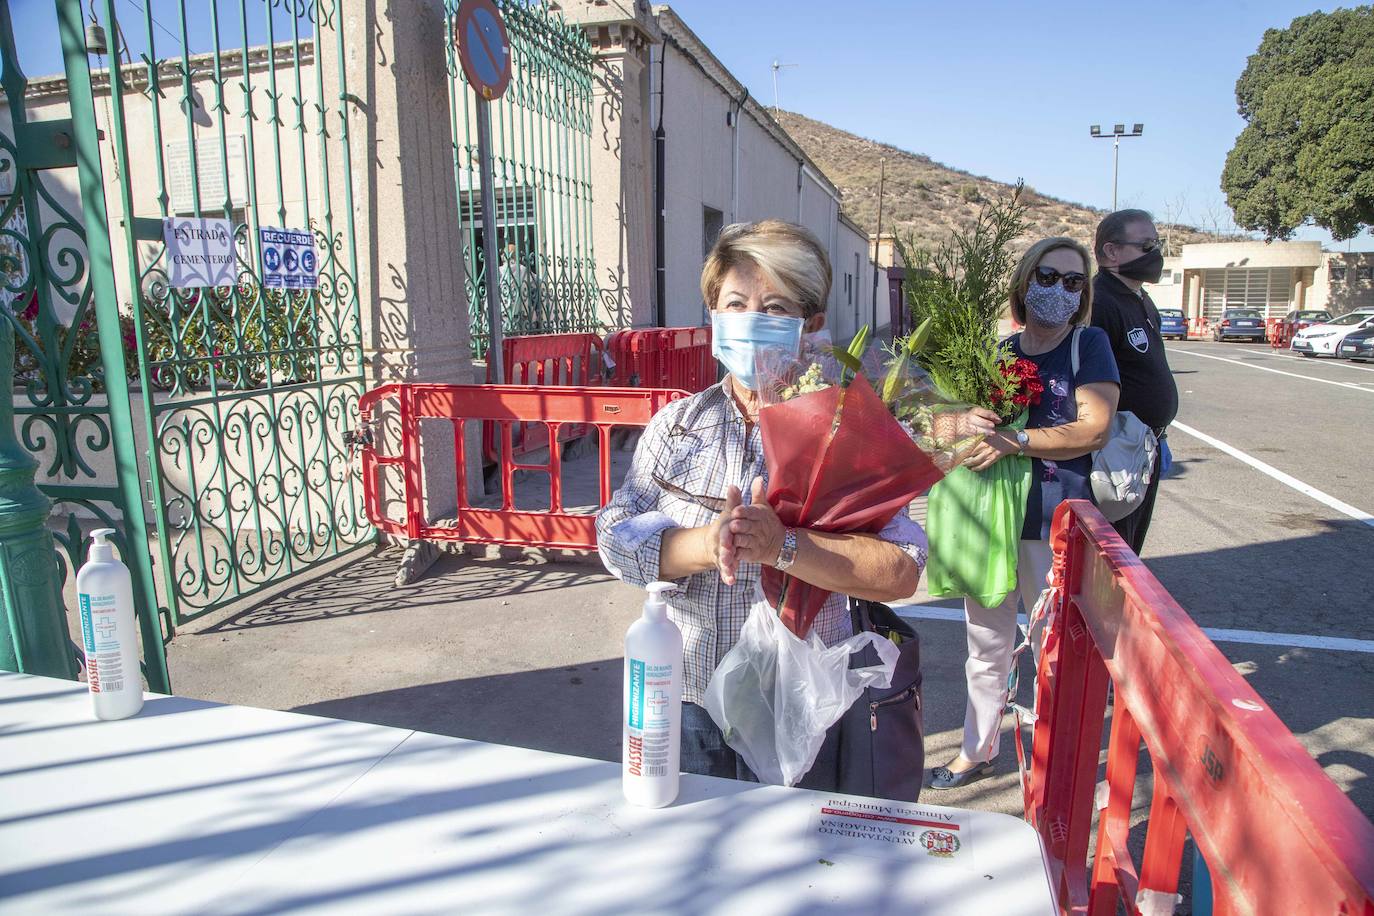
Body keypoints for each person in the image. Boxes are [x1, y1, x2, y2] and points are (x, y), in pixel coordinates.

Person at [596, 219, 927, 787]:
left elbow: (900, 571)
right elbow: (614, 535)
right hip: (692, 700)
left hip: (810, 707)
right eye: (735, 303)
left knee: (803, 864)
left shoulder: (850, 430)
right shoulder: (679, 427)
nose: (750, 321)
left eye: (774, 307)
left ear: (811, 325)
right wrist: (703, 543)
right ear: (713, 315)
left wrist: (783, 546)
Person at [930, 237, 1120, 789]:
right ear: (1024, 280)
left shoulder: (1089, 346)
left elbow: (1095, 427)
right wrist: (957, 422)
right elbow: (939, 426)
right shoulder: (998, 353)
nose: (1058, 290)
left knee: (1050, 648)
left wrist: (1019, 440)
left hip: (1051, 524)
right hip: (989, 522)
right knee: (985, 646)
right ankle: (976, 749)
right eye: (1047, 276)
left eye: (1072, 281)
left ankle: (1054, 758)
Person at [1090, 210, 1178, 554]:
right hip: (1118, 450)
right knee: (1113, 553)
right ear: (1111, 252)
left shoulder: (1140, 298)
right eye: (1145, 245)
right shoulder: (1101, 303)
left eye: (1155, 244)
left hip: (1146, 444)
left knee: (1131, 547)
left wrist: (1160, 435)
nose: (1154, 254)